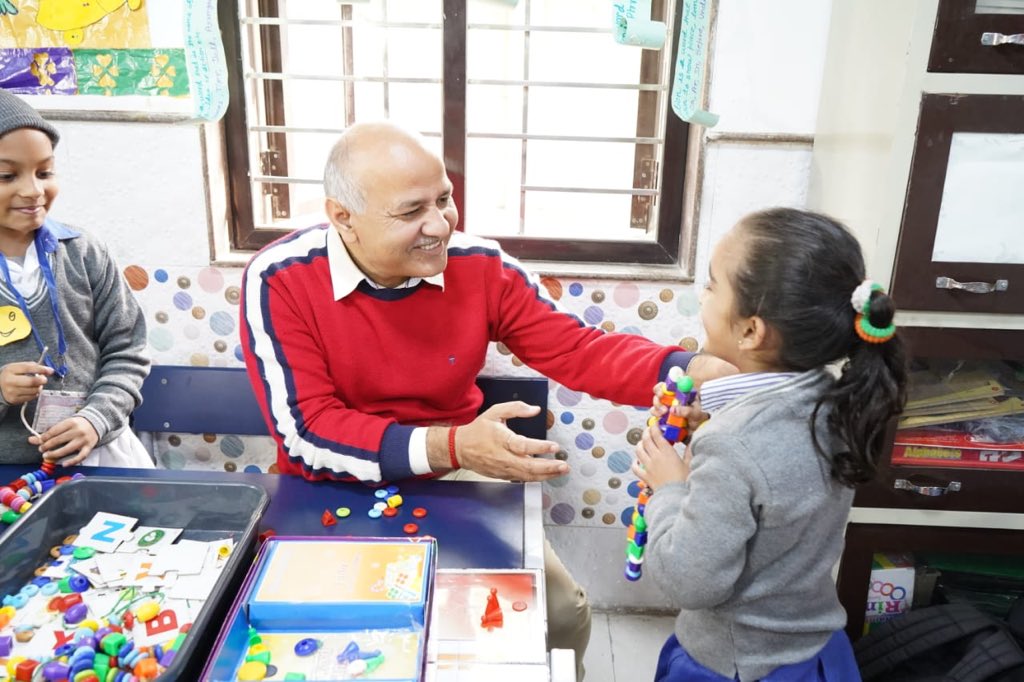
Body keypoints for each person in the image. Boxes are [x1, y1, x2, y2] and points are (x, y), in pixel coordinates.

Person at [239, 120, 732, 678]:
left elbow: (578, 350)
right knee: (323, 640)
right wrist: (455, 445)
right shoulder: (280, 278)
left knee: (561, 617)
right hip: (327, 486)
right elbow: (307, 433)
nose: (439, 225)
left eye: (445, 199)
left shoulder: (482, 266)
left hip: (460, 477)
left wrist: (684, 369)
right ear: (342, 217)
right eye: (410, 212)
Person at [634, 207, 909, 681]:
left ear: (751, 331)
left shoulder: (733, 443)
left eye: (713, 284)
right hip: (815, 649)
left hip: (740, 664)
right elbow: (775, 487)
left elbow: (689, 581)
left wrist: (670, 488)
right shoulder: (836, 399)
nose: (703, 294)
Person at [0, 88, 152, 469]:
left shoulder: (84, 251)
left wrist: (95, 418)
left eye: (45, 172)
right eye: (7, 175)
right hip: (10, 476)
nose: (33, 190)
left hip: (104, 454)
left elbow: (128, 350)